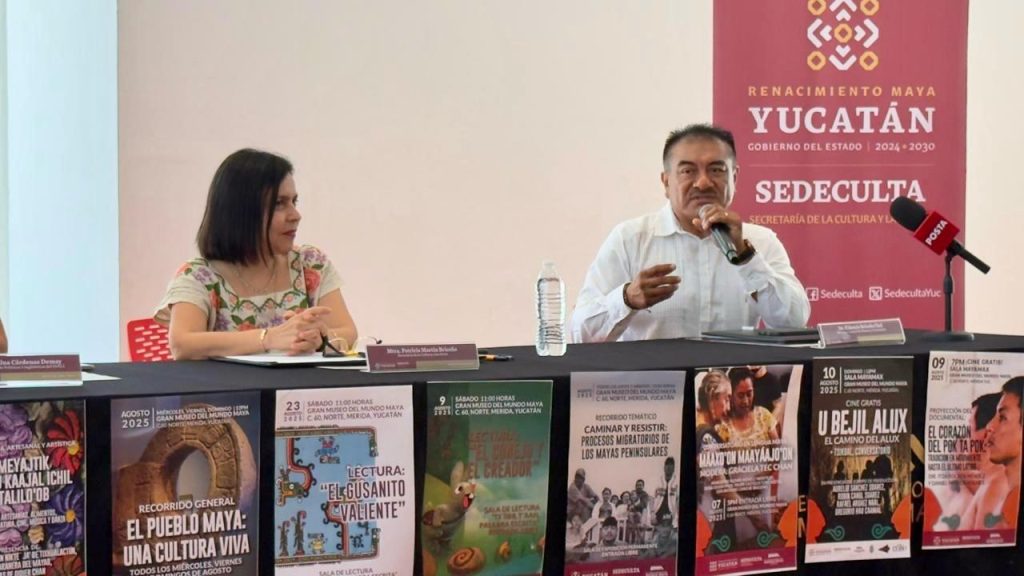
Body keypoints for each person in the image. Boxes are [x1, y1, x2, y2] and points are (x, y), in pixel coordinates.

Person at [571, 124, 810, 342]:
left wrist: (746, 258)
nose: (703, 183)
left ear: (735, 178)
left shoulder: (760, 241)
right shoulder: (630, 239)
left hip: (731, 375)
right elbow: (581, 334)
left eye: (716, 170)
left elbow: (794, 325)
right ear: (666, 182)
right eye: (688, 171)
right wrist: (626, 299)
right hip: (653, 376)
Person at [155, 149, 357, 360]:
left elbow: (348, 332)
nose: (295, 215)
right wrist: (268, 338)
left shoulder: (310, 263)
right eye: (279, 204)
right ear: (240, 212)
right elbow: (182, 344)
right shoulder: (199, 275)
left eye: (294, 202)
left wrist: (319, 339)